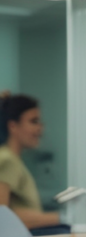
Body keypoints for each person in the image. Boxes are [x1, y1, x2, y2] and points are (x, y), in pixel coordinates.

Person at [0, 92, 61, 229]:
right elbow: (2, 216)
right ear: (13, 126)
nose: (40, 128)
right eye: (34, 121)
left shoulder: (12, 160)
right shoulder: (7, 160)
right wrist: (63, 217)